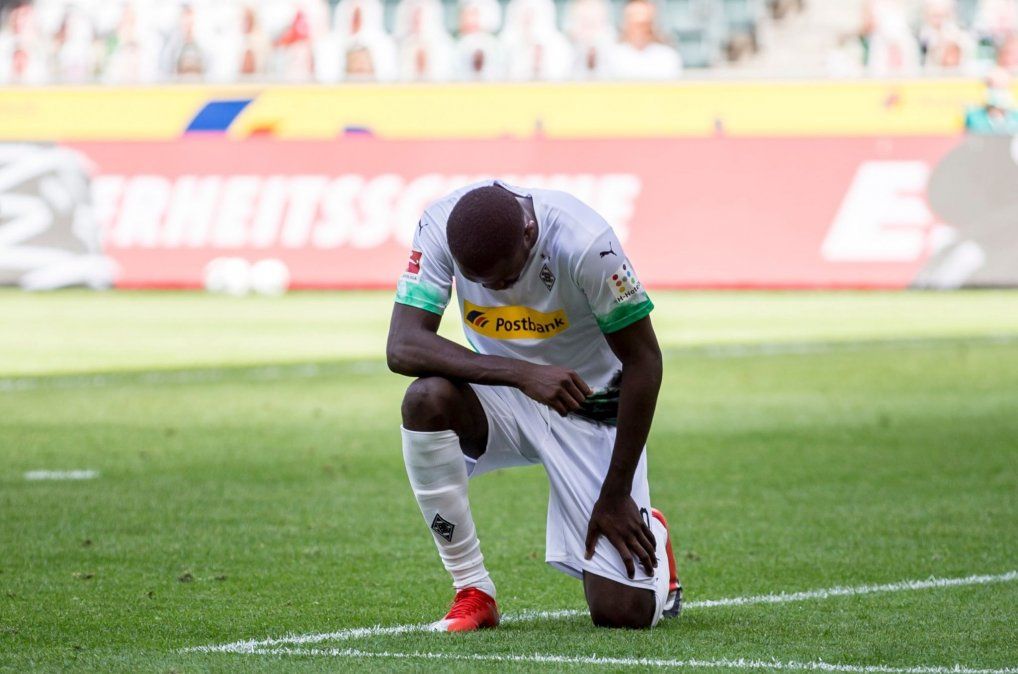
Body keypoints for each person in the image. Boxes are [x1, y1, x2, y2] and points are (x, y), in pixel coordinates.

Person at [386, 181, 682, 631]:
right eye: (483, 283)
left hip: (589, 406)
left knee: (622, 614)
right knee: (426, 400)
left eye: (506, 277)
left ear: (529, 233)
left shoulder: (585, 244)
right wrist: (521, 373)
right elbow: (402, 345)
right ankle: (472, 589)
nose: (498, 289)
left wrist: (617, 492)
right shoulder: (440, 225)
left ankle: (651, 530)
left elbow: (645, 360)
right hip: (505, 397)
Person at [608, 0, 681, 80]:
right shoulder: (612, 56)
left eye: (644, 24)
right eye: (634, 24)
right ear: (625, 23)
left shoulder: (667, 57)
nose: (639, 30)